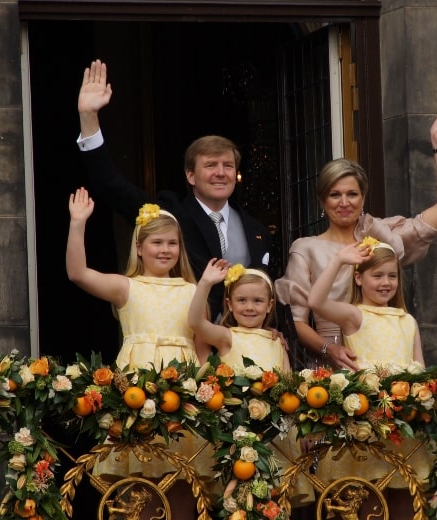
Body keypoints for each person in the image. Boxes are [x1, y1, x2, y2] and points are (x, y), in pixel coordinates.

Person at [275, 99, 437, 371]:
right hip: (333, 364)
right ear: (322, 202)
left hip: (386, 358)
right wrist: (329, 348)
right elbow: (297, 321)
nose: (344, 202)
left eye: (352, 194)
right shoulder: (306, 248)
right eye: (335, 195)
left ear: (363, 197)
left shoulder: (382, 236)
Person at [76, 59, 270, 320]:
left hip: (240, 345)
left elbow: (268, 291)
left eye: (228, 165)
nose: (221, 172)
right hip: (184, 339)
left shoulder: (256, 230)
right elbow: (111, 186)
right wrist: (89, 118)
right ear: (190, 175)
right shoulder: (169, 213)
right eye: (211, 165)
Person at [66, 187, 210, 519]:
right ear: (139, 247)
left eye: (172, 243)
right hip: (136, 389)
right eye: (157, 243)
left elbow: (203, 350)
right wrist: (78, 223)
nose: (165, 250)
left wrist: (205, 397)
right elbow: (78, 273)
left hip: (183, 393)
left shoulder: (193, 289)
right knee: (139, 485)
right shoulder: (126, 286)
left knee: (186, 482)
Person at [308, 237, 428, 519]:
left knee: (404, 496)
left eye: (392, 275)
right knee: (366, 497)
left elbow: (420, 366)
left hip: (403, 423)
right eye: (377, 275)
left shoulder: (406, 320)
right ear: (359, 277)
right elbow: (315, 301)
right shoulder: (354, 315)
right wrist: (339, 260)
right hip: (365, 421)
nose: (385, 282)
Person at [188, 259, 315, 508]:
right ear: (229, 304)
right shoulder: (227, 337)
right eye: (241, 300)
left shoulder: (277, 341)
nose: (249, 307)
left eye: (257, 301)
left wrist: (303, 429)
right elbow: (195, 323)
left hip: (276, 436)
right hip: (237, 434)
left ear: (269, 306)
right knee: (236, 501)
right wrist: (204, 284)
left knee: (274, 500)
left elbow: (290, 389)